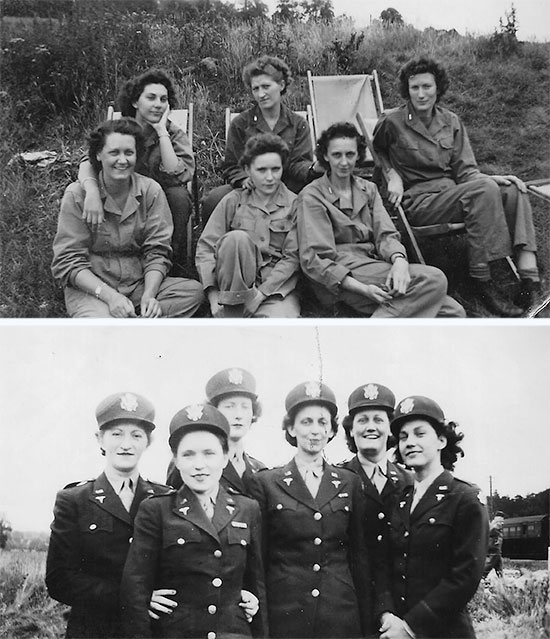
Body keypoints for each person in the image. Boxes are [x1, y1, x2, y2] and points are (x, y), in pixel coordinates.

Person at [373, 56, 541, 316]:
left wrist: (491, 178)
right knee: (483, 191)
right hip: (421, 202)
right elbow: (378, 151)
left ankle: (529, 278)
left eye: (427, 86)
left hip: (456, 194)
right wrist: (391, 173)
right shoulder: (392, 122)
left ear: (438, 88)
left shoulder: (451, 121)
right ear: (406, 90)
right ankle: (483, 279)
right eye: (414, 87)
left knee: (512, 189)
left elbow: (466, 171)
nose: (420, 94)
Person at [121, 403, 267, 639]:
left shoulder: (247, 509)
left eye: (209, 453)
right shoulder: (155, 510)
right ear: (176, 461)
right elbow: (135, 589)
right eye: (188, 455)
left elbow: (256, 585)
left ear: (225, 457)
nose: (199, 464)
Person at [296, 122, 466, 318]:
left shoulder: (368, 189)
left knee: (453, 313)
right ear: (325, 156)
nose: (344, 162)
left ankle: (381, 325)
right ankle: (374, 334)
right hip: (340, 278)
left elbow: (386, 233)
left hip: (373, 265)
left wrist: (400, 261)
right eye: (337, 155)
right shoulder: (311, 196)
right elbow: (316, 259)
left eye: (350, 154)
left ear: (358, 155)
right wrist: (363, 289)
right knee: (434, 280)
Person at [250, 381, 374, 638]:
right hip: (285, 613)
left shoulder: (349, 482)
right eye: (306, 422)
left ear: (331, 430)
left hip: (340, 614)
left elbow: (359, 557)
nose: (315, 431)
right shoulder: (266, 483)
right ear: (291, 428)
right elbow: (258, 561)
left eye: (322, 422)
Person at [45, 392, 171, 638]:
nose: (126, 444)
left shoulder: (165, 499)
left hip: (154, 630)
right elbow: (60, 579)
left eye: (136, 435)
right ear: (99, 439)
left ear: (148, 441)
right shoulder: (74, 500)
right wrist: (133, 597)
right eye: (116, 434)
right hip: (95, 629)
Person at [51, 117, 203, 318]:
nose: (122, 161)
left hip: (137, 284)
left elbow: (157, 251)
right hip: (94, 290)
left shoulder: (151, 190)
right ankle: (136, 327)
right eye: (114, 153)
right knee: (100, 325)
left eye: (129, 153)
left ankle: (139, 319)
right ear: (98, 155)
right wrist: (110, 297)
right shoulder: (78, 195)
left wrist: (149, 295)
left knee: (193, 293)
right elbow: (68, 261)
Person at [379, 396, 488, 639]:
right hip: (394, 631)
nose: (410, 443)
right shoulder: (399, 498)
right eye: (404, 437)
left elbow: (465, 576)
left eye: (420, 434)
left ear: (441, 440)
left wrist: (411, 627)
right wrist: (386, 614)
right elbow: (386, 564)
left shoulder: (465, 497)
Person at [78, 69, 194, 272]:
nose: (158, 104)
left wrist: (161, 131)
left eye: (163, 99)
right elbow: (88, 162)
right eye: (151, 97)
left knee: (179, 196)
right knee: (80, 191)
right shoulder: (119, 129)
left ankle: (170, 263)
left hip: (160, 200)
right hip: (122, 195)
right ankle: (99, 261)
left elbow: (180, 174)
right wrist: (93, 192)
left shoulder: (172, 133)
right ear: (135, 102)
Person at [201, 55, 322, 221]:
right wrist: (243, 179)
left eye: (266, 86)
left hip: (288, 186)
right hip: (250, 187)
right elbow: (231, 165)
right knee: (214, 200)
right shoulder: (240, 124)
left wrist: (314, 169)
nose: (261, 94)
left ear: (281, 85)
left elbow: (298, 164)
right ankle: (221, 243)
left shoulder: (298, 124)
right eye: (255, 89)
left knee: (316, 200)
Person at [196, 133, 301, 318]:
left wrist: (259, 297)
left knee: (275, 331)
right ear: (247, 169)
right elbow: (206, 247)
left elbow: (292, 258)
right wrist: (213, 297)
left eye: (275, 169)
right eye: (261, 170)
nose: (270, 177)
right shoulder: (233, 201)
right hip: (232, 287)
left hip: (274, 289)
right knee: (237, 238)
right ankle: (231, 311)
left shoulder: (295, 205)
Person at [166, 367, 266, 497]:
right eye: (230, 406)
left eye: (245, 407)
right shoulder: (189, 462)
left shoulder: (259, 468)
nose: (239, 415)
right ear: (215, 411)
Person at [340, 383, 414, 557]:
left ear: (390, 429)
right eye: (363, 420)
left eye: (378, 420)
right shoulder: (336, 480)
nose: (371, 427)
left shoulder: (410, 481)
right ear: (351, 430)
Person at [483, 511, 505, 578]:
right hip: (494, 551)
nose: (502, 523)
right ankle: (482, 578)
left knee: (499, 568)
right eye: (500, 522)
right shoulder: (494, 527)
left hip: (497, 551)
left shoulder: (494, 526)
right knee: (488, 566)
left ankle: (501, 581)